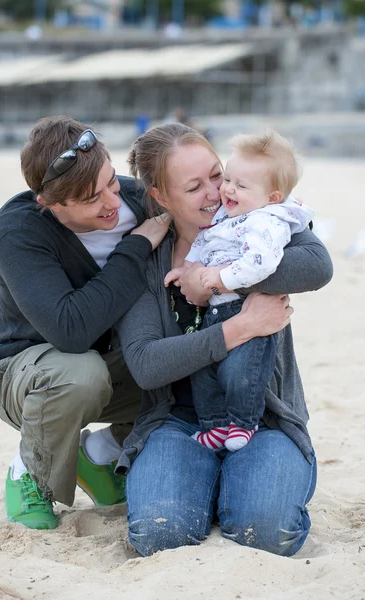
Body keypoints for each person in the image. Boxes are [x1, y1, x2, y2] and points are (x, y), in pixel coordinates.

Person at [113, 123, 333, 557]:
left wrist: (213, 281)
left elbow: (317, 266)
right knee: (161, 534)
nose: (217, 193)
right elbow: (146, 363)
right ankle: (205, 484)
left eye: (219, 174)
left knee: (267, 534)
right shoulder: (147, 257)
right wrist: (240, 327)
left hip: (264, 420)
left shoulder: (263, 225)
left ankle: (239, 485)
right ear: (160, 196)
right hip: (178, 422)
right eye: (194, 186)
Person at [0, 115, 170, 530]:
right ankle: (30, 473)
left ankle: (99, 453)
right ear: (49, 205)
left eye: (110, 181)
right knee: (79, 372)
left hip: (115, 365)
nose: (111, 202)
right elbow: (71, 331)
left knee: (184, 353)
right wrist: (137, 245)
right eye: (90, 198)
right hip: (29, 374)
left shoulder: (142, 200)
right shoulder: (18, 229)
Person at [164, 131, 315, 452]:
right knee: (207, 374)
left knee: (241, 373)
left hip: (242, 308)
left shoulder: (266, 221)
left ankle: (243, 423)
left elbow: (263, 263)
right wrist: (187, 269)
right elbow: (205, 245)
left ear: (272, 197)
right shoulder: (227, 217)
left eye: (230, 181)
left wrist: (216, 279)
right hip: (216, 315)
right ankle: (218, 425)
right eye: (228, 179)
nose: (225, 190)